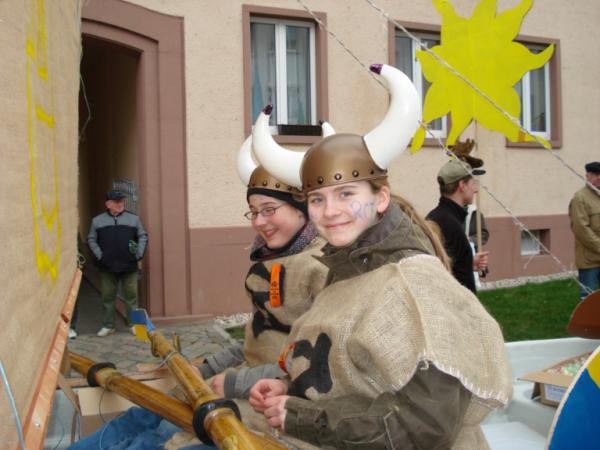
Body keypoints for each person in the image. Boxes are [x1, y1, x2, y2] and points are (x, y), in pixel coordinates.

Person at [249, 63, 511, 449]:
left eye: (346, 194)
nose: (330, 211)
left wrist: (304, 417)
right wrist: (293, 387)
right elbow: (349, 374)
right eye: (317, 199)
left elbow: (423, 426)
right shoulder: (345, 268)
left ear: (381, 198)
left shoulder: (417, 287)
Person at [67, 140, 328, 450]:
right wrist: (204, 368)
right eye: (254, 212)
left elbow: (318, 364)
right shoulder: (274, 261)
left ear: (302, 208)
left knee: (156, 439)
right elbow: (254, 343)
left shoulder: (320, 269)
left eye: (269, 210)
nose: (259, 222)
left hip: (271, 403)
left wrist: (233, 383)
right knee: (139, 417)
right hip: (238, 385)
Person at [88, 190, 148, 337]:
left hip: (129, 265)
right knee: (107, 297)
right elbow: (91, 239)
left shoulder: (133, 219)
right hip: (107, 266)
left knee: (132, 296)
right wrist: (100, 255)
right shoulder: (97, 221)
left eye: (121, 201)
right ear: (108, 204)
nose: (120, 204)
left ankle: (136, 326)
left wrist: (138, 254)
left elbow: (142, 236)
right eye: (117, 202)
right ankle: (108, 325)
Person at [427, 159, 489, 293]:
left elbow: (447, 264)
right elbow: (441, 277)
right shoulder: (449, 224)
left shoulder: (438, 216)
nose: (476, 190)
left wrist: (468, 263)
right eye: (473, 183)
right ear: (462, 185)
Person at [569, 161, 600, 299]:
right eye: (595, 174)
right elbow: (581, 229)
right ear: (587, 176)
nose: (599, 177)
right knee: (587, 297)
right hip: (589, 259)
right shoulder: (580, 198)